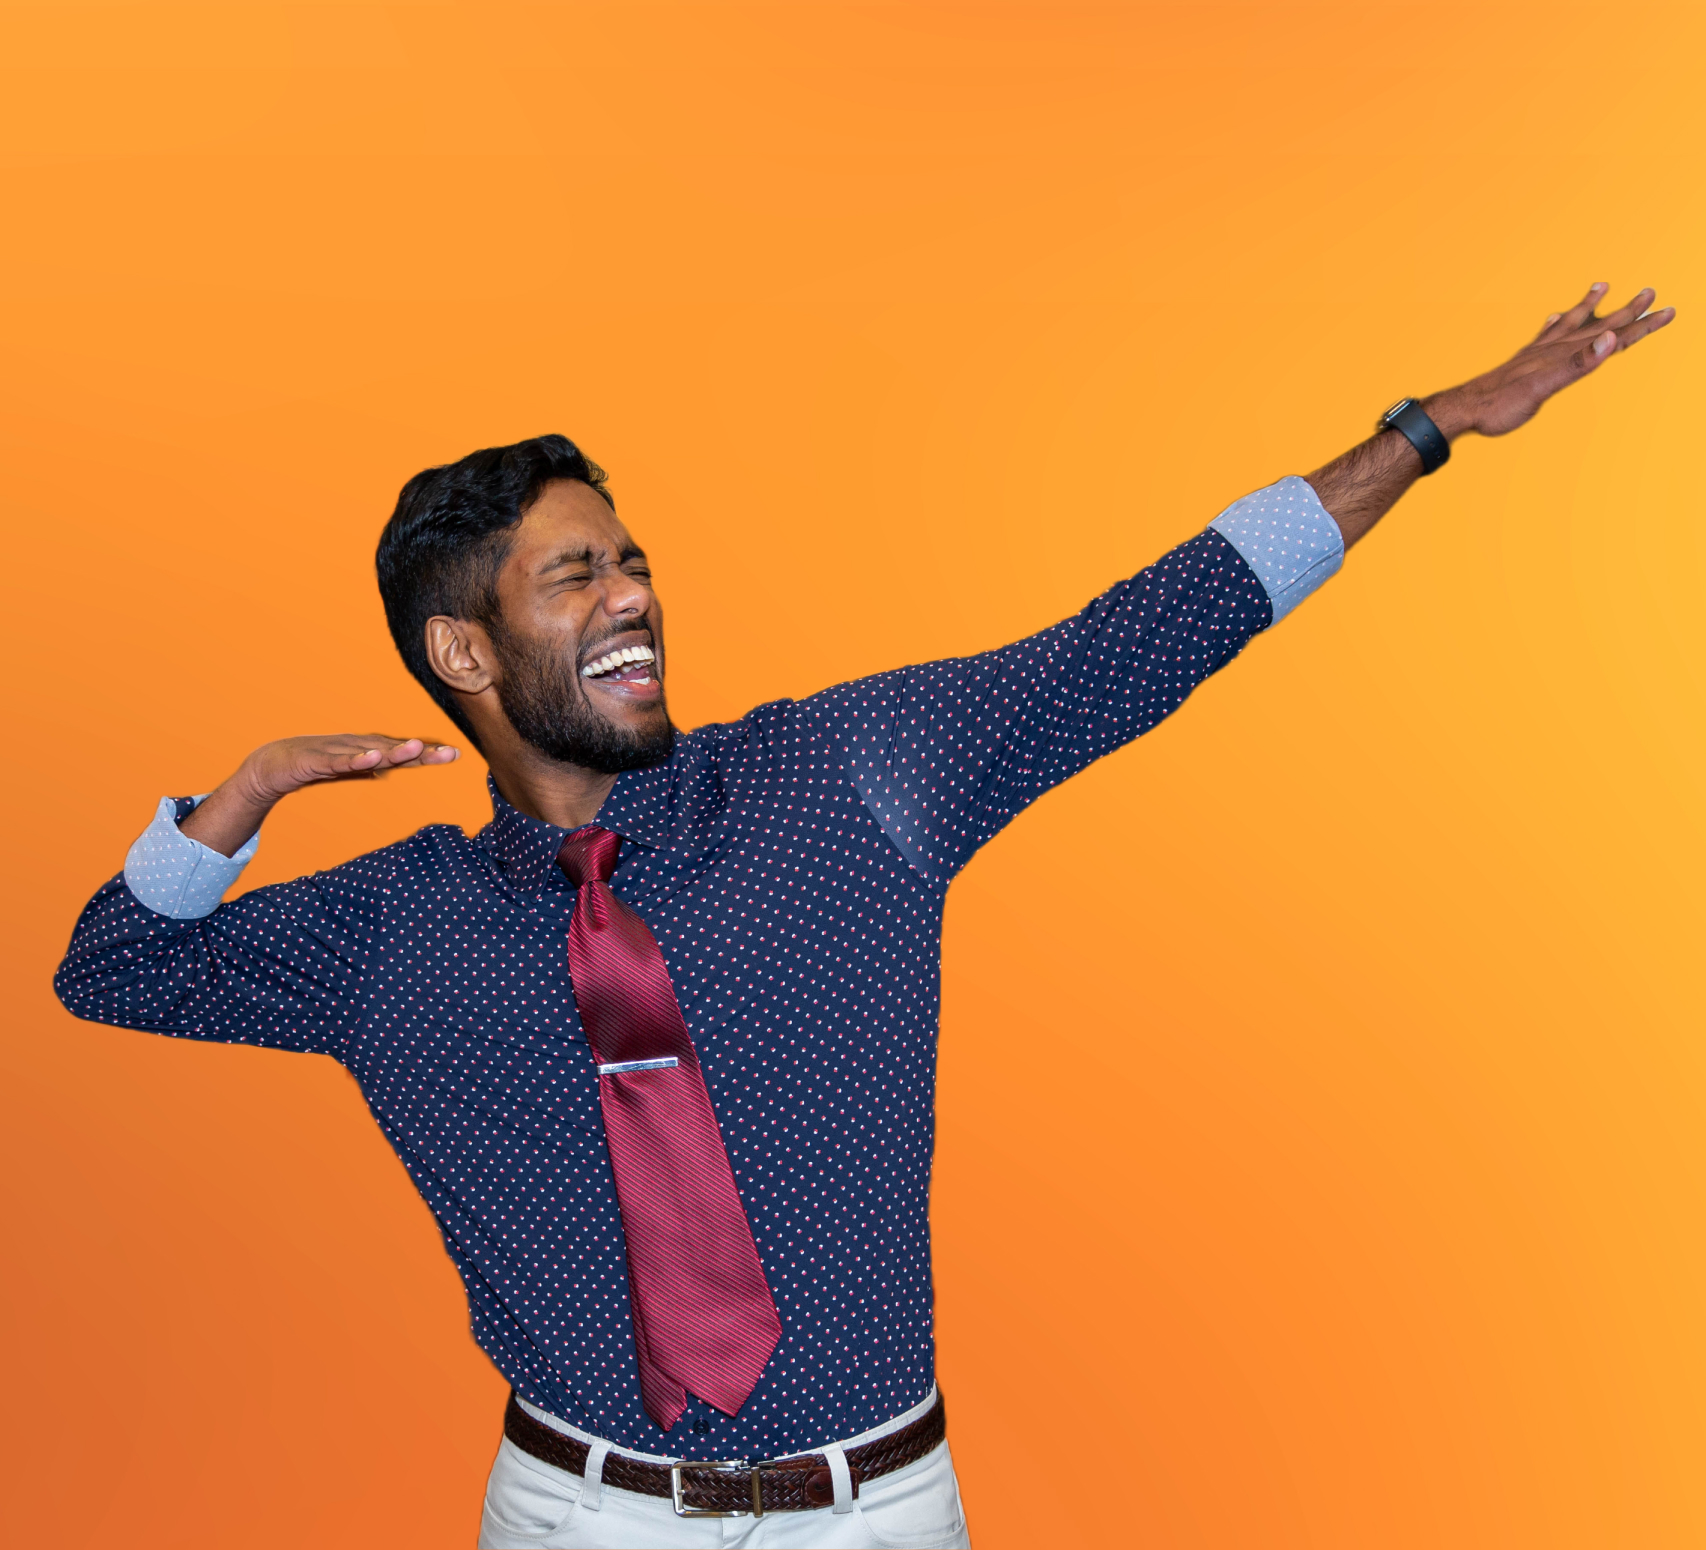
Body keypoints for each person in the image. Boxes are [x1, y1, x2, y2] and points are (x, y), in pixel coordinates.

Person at [55, 285, 1673, 1549]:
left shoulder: (846, 777)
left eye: (631, 559)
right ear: (463, 655)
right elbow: (109, 967)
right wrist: (241, 795)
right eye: (572, 577)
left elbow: (1143, 633)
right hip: (577, 1507)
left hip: (880, 1501)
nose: (631, 593)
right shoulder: (389, 930)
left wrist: (1426, 427)